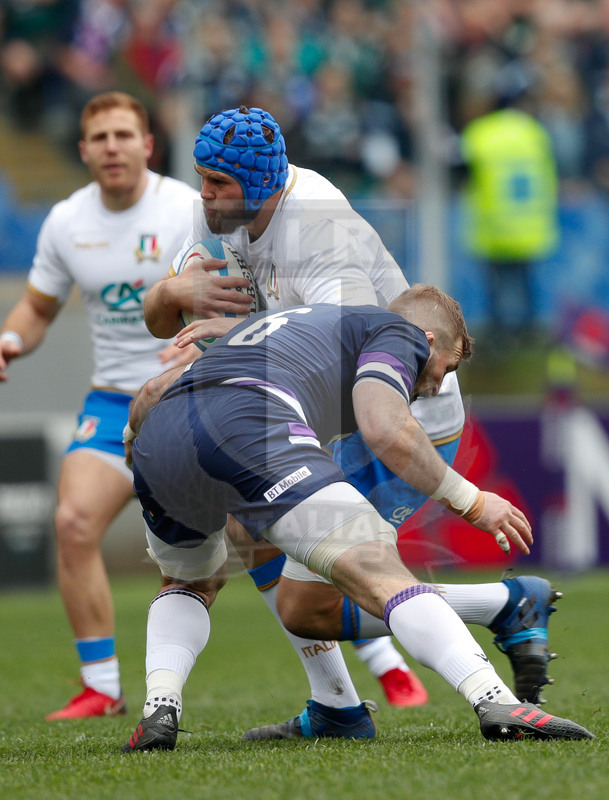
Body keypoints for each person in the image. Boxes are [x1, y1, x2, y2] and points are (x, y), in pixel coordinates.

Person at [138, 106, 561, 739]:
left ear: (263, 185)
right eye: (202, 178)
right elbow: (159, 319)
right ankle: (337, 706)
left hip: (396, 414)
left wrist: (236, 334)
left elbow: (360, 365)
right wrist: (171, 296)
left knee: (311, 603)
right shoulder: (217, 214)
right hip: (305, 413)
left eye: (218, 183)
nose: (204, 196)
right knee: (245, 522)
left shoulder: (319, 225)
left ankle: (501, 607)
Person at [121, 290, 593, 751]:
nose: (432, 387)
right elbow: (384, 426)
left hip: (160, 444)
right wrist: (471, 501)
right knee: (379, 570)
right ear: (426, 339)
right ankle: (496, 702)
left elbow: (150, 393)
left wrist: (136, 447)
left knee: (189, 585)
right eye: (443, 370)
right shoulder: (395, 331)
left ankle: (161, 707)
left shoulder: (279, 327)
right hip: (254, 423)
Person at [0, 91, 200, 719]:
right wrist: (9, 339)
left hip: (193, 398)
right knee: (73, 523)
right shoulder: (66, 222)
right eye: (100, 138)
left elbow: (238, 294)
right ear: (83, 150)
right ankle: (103, 687)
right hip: (115, 401)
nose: (112, 147)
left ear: (148, 144)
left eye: (124, 134)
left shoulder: (188, 209)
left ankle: (370, 670)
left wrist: (200, 350)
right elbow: (37, 308)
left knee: (265, 540)